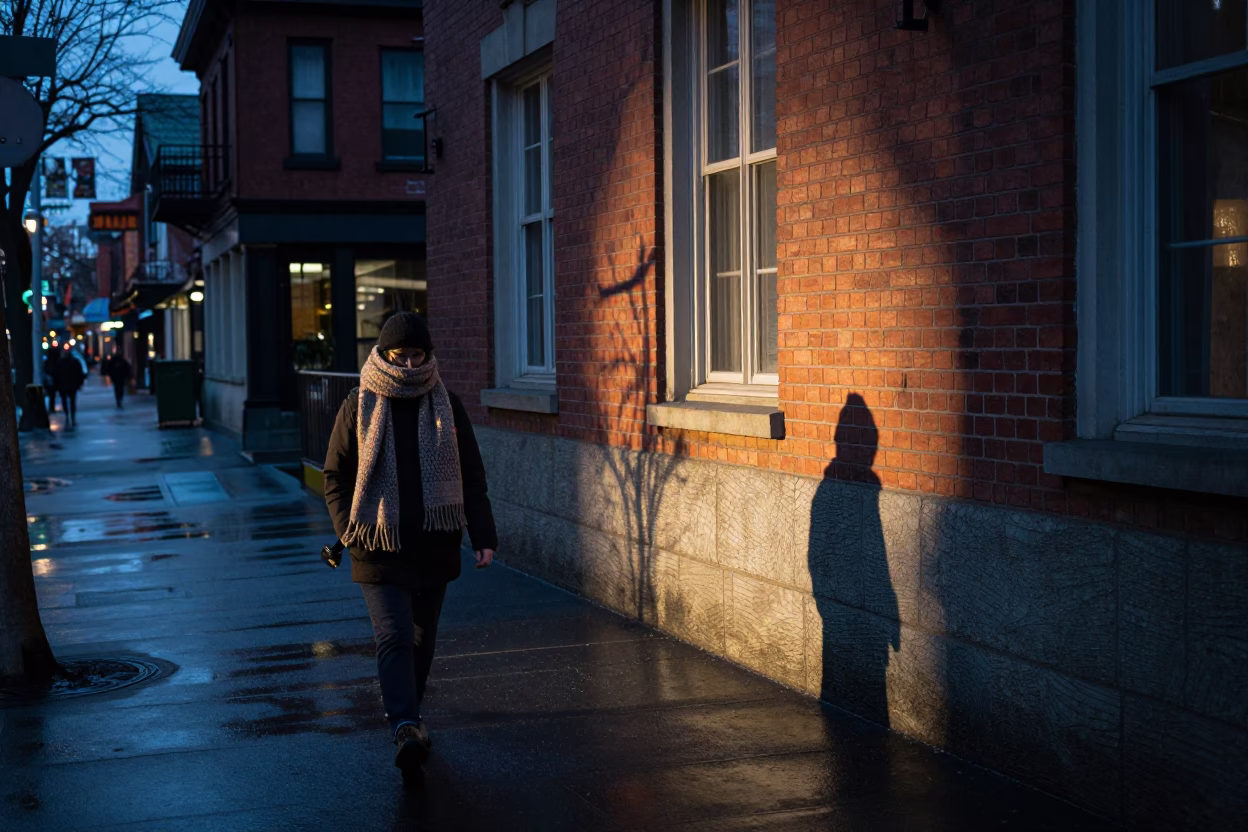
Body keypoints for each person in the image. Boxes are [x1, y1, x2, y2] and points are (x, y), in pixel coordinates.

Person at [322, 312, 497, 781]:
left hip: (434, 544)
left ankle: (411, 718)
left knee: (422, 639)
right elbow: (335, 475)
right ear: (384, 353)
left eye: (418, 355)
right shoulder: (359, 404)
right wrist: (349, 527)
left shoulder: (447, 404)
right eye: (402, 355)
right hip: (376, 544)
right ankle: (403, 726)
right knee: (394, 635)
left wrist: (483, 536)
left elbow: (471, 475)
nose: (411, 363)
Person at [53, 347, 86, 429]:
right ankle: (71, 416)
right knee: (71, 402)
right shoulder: (74, 362)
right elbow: (80, 373)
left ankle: (68, 415)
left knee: (66, 401)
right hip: (70, 385)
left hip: (65, 385)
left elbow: (56, 375)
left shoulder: (61, 363)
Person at [43, 348, 61, 414]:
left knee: (51, 395)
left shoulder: (48, 362)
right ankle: (51, 407)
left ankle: (51, 407)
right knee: (52, 395)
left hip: (50, 380)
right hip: (53, 380)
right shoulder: (56, 362)